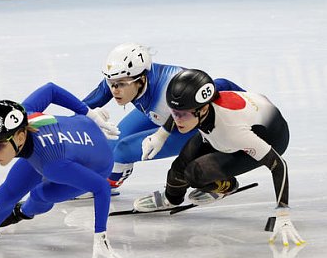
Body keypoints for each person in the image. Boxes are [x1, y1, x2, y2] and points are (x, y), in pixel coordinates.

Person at [0, 82, 130, 258]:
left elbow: (102, 187)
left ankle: (23, 212)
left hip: (97, 165)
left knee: (42, 195)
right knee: (7, 193)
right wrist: (89, 113)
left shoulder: (52, 165)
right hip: (78, 128)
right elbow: (50, 90)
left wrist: (100, 237)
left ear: (19, 137)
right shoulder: (24, 115)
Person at [133, 69, 305, 247]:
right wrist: (161, 135)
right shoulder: (198, 108)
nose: (177, 119)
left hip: (270, 137)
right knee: (180, 166)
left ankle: (226, 185)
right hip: (236, 123)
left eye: (183, 114)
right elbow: (180, 109)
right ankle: (172, 199)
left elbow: (279, 166)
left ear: (204, 108)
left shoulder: (232, 131)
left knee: (196, 174)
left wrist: (283, 213)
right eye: (173, 112)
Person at [82, 43, 243, 191]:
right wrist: (88, 114)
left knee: (123, 151)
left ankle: (221, 180)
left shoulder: (170, 85)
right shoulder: (123, 77)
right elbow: (83, 104)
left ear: (142, 79)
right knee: (112, 142)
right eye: (111, 82)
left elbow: (220, 84)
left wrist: (162, 134)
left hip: (194, 123)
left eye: (121, 84)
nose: (114, 90)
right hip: (166, 112)